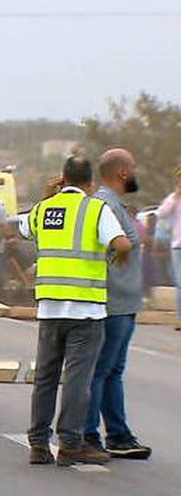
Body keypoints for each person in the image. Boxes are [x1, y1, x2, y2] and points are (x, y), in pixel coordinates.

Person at [22, 156, 131, 466]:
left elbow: (25, 229)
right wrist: (116, 258)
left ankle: (39, 445)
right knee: (76, 379)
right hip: (85, 311)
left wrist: (49, 196)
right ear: (90, 183)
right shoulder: (97, 209)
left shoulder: (44, 208)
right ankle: (70, 443)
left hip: (50, 308)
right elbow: (122, 243)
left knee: (45, 377)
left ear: (62, 179)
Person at [79, 149, 152, 458]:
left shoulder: (114, 204)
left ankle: (118, 434)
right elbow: (110, 251)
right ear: (123, 172)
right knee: (101, 370)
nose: (135, 173)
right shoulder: (106, 205)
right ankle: (90, 435)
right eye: (132, 167)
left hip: (124, 301)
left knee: (111, 370)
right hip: (113, 303)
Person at [156, 164, 181, 324]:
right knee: (180, 282)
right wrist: (175, 196)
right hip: (178, 245)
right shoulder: (175, 198)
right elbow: (161, 213)